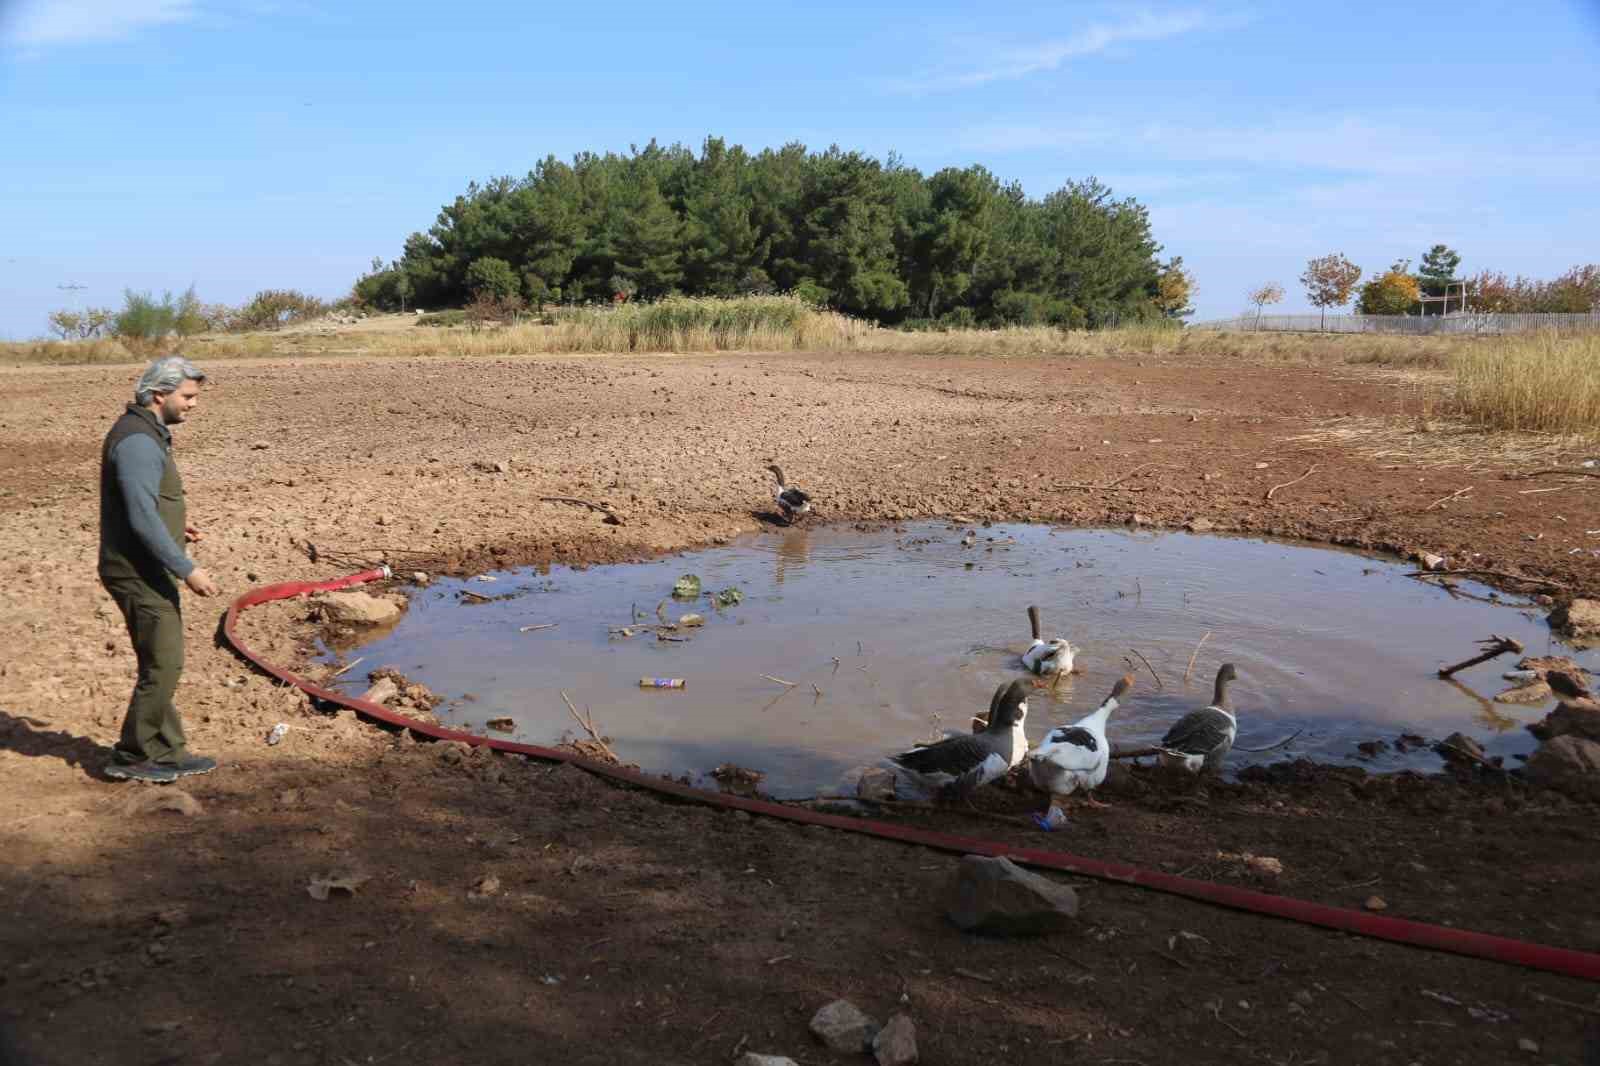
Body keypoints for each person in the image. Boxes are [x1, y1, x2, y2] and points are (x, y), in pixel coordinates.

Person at [99, 355, 221, 783]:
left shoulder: (148, 433)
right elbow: (140, 518)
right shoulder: (137, 441)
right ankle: (133, 755)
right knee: (164, 663)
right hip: (136, 570)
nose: (193, 404)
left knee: (160, 660)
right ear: (158, 395)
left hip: (145, 565)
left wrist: (176, 522)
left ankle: (166, 750)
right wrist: (187, 568)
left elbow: (148, 504)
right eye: (187, 396)